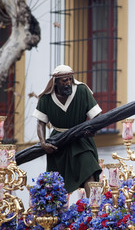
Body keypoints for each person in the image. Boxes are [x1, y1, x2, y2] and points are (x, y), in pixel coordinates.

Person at [33, 65, 102, 197]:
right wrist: (43, 143)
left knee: (89, 170)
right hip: (58, 142)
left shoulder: (82, 91)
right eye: (64, 80)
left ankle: (95, 209)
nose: (68, 83)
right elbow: (40, 122)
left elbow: (97, 116)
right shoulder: (46, 98)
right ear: (56, 82)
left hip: (81, 140)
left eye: (70, 79)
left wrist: (92, 130)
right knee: (56, 183)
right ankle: (55, 214)